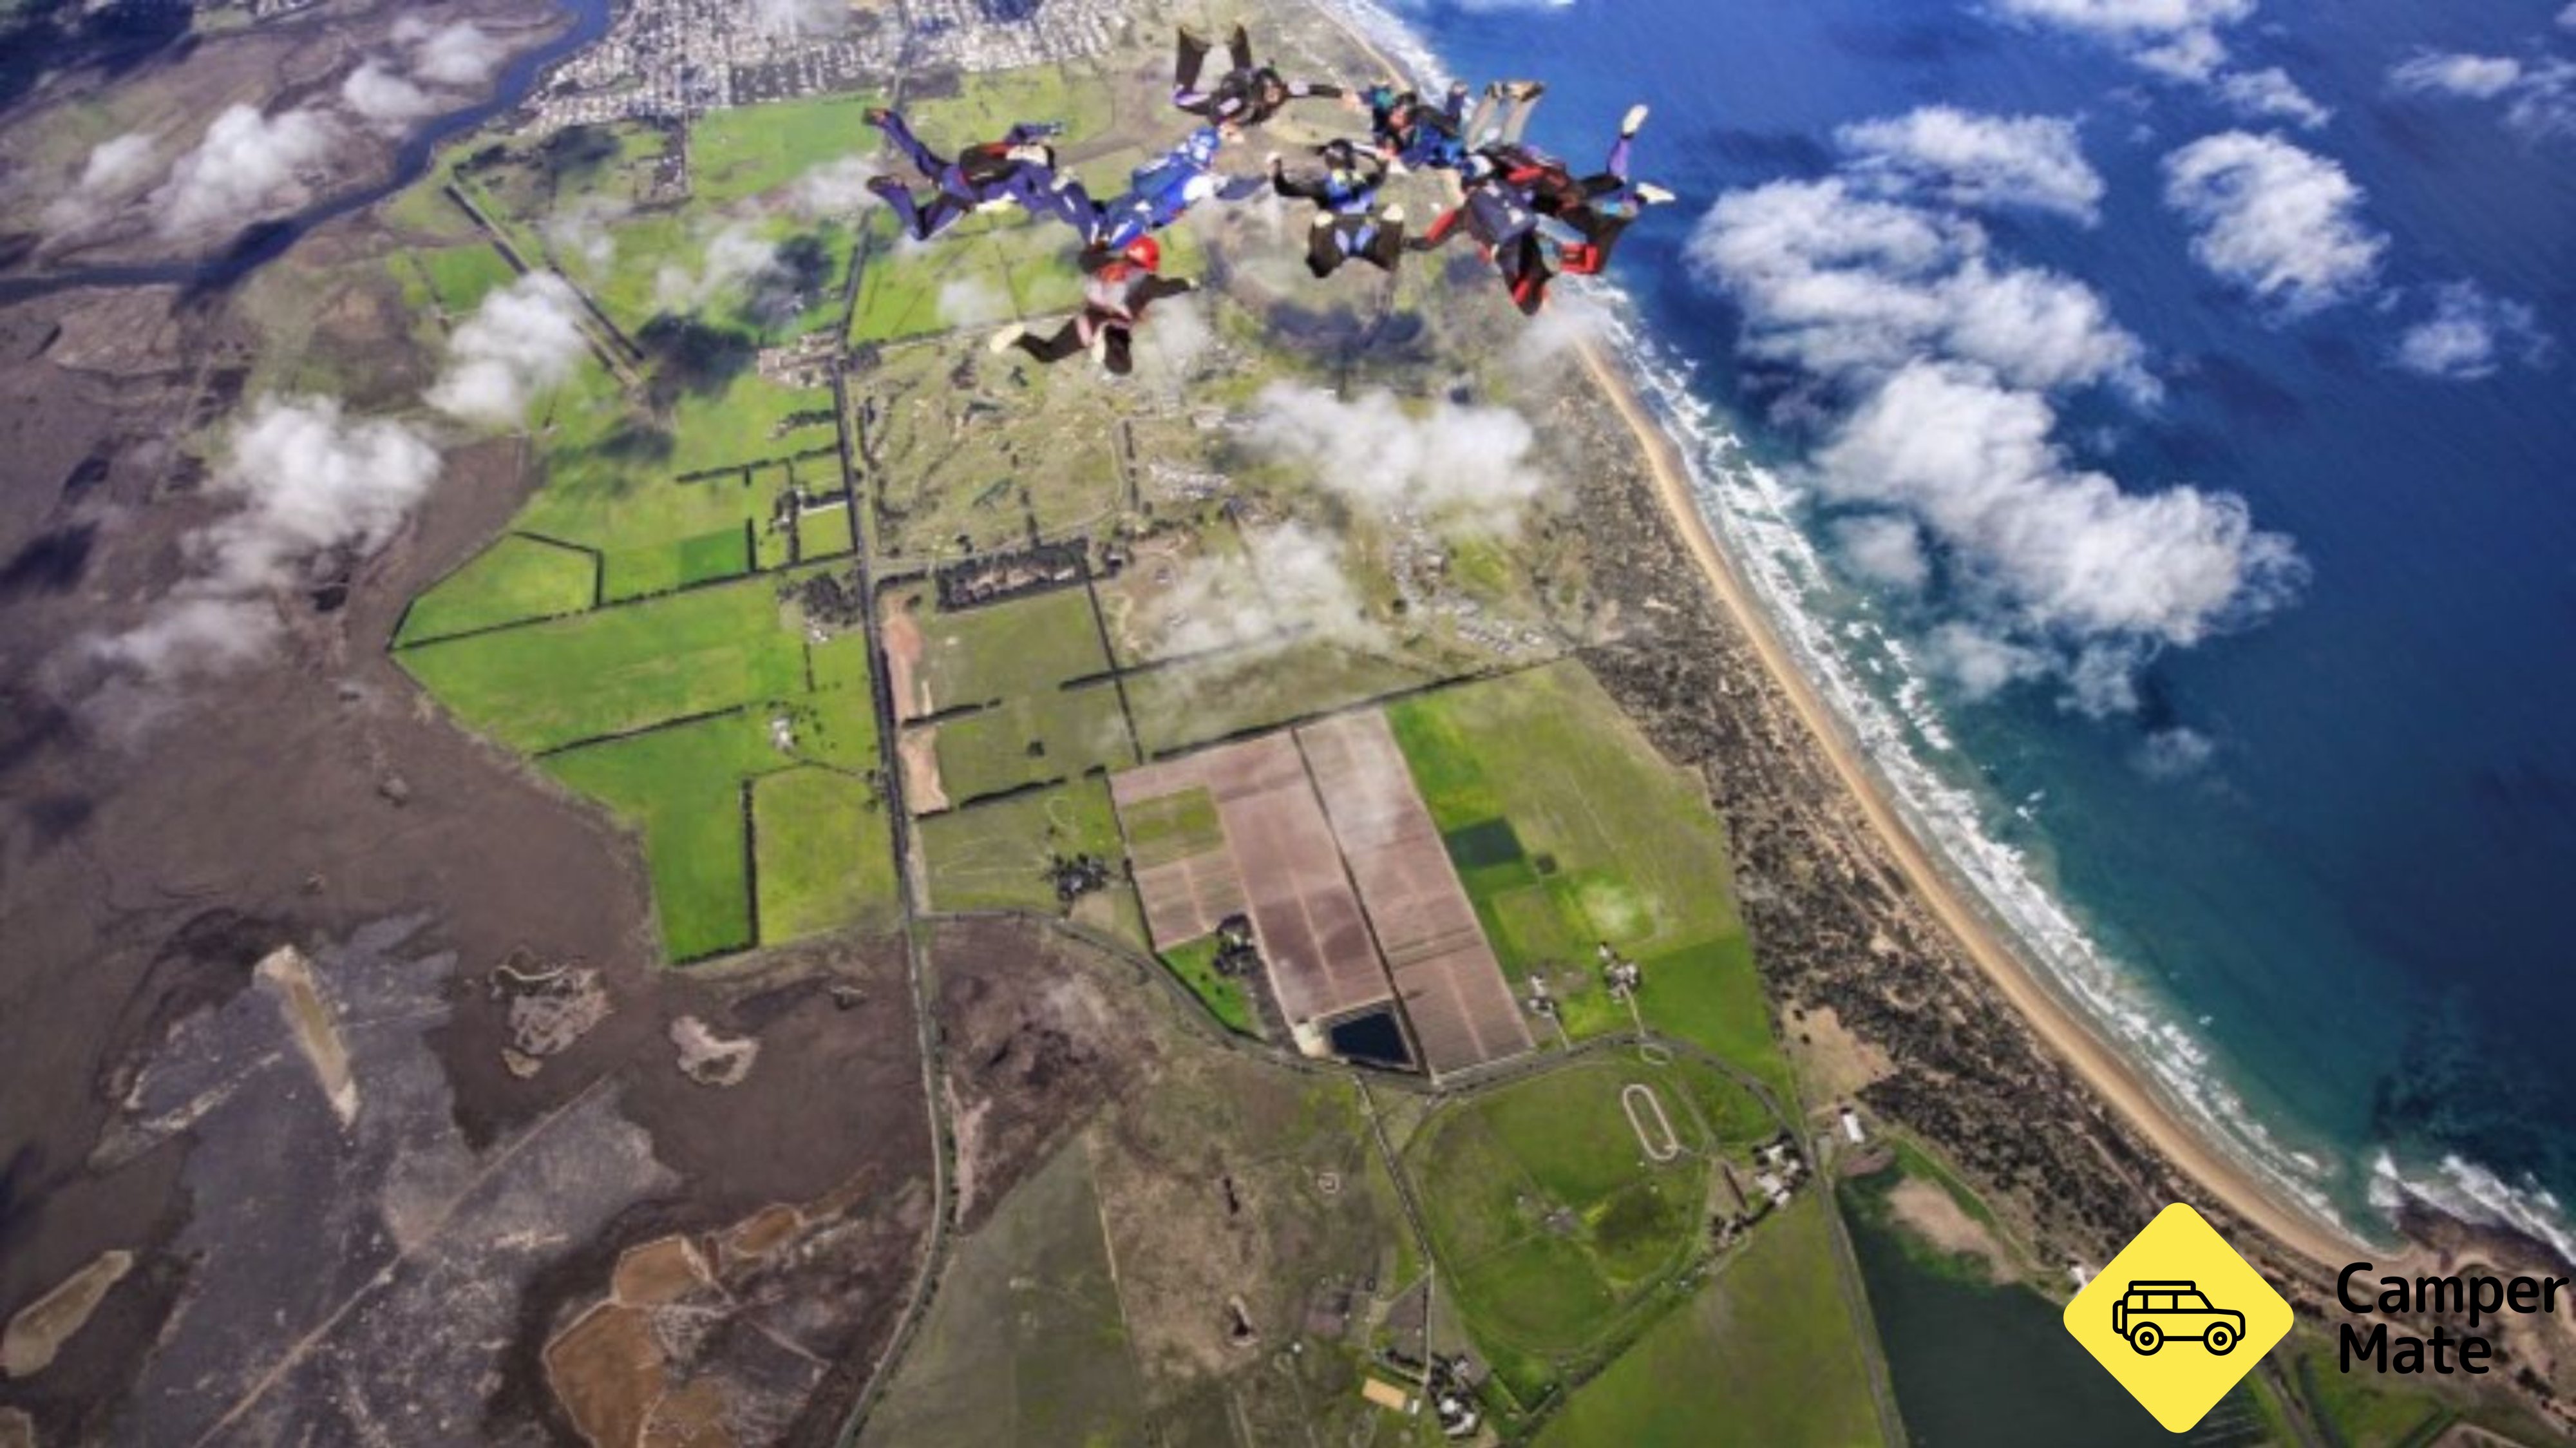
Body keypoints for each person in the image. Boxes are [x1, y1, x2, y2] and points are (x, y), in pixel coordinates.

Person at [1484, 104, 1674, 276]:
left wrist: (1500, 240)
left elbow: (1517, 204)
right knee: (1617, 182)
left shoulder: (1512, 183)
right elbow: (1533, 162)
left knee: (1598, 253)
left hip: (1572, 206)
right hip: (1574, 190)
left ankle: (1635, 199)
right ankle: (1627, 138)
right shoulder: (1523, 160)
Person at [862, 108, 1088, 241]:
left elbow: (1020, 129)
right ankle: (894, 191)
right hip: (961, 196)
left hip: (953, 172)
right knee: (920, 232)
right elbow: (1035, 205)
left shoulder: (1011, 149)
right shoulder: (1023, 180)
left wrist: (1052, 128)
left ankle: (888, 120)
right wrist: (1062, 189)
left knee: (920, 154)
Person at [988, 236, 1197, 376]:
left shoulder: (1106, 264)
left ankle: (1018, 337)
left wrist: (1101, 244)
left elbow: (1084, 259)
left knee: (1120, 367)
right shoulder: (1146, 281)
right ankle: (1021, 339)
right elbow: (1169, 288)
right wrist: (1190, 283)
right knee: (1050, 355)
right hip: (1099, 325)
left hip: (1093, 321)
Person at [1081, 126, 1267, 249]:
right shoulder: (1197, 178)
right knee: (1119, 231)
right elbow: (1233, 191)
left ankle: (1099, 235)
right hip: (1150, 207)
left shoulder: (1177, 160)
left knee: (1121, 220)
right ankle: (1100, 239)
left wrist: (1221, 133)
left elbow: (1199, 143)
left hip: (1139, 202)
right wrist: (1264, 177)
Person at [1407, 162, 1553, 314]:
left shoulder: (1466, 214)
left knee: (1528, 305)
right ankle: (1544, 274)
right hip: (1530, 237)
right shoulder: (1504, 185)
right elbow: (1533, 177)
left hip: (1509, 249)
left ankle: (1540, 289)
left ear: (1467, 192)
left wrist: (1408, 244)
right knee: (1534, 269)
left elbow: (1430, 242)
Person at [1173, 23, 1350, 131]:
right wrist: (1341, 94)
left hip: (1233, 96)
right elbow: (1313, 89)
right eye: (1273, 91)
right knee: (1181, 100)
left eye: (1274, 91)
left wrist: (1341, 94)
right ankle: (1230, 41)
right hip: (1233, 92)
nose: (1275, 93)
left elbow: (1215, 116)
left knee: (1182, 100)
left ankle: (1216, 44)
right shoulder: (1244, 97)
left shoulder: (1272, 93)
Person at [1359, 80, 1472, 173]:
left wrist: (1401, 159)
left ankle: (1456, 97)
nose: (1393, 115)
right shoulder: (1395, 115)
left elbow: (1422, 149)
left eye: (1398, 115)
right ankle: (1456, 97)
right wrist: (1360, 97)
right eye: (1394, 113)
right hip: (1424, 125)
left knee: (1450, 136)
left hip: (1447, 144)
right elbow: (1382, 101)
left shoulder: (1425, 130)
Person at [1267, 138, 1388, 216]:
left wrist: (1277, 172)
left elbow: (1284, 190)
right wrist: (1383, 164)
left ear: (1328, 161)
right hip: (1365, 232)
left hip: (1337, 235)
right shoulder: (1370, 180)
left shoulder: (1324, 186)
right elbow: (1382, 173)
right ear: (1352, 159)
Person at [1304, 204, 1408, 280]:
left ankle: (1323, 233)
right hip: (1354, 234)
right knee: (1389, 261)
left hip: (1344, 232)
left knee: (1324, 264)